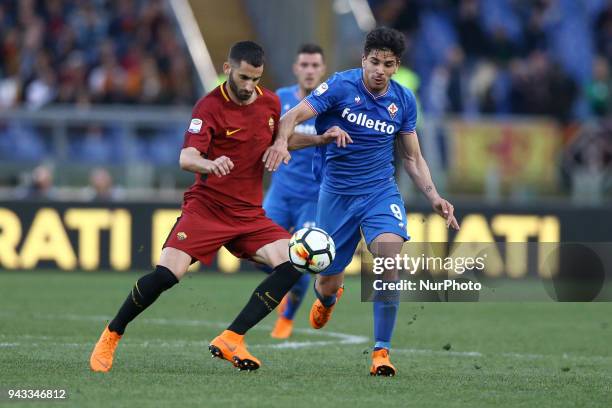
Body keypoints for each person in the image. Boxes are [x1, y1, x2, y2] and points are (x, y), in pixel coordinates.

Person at [89, 41, 346, 373]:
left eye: (255, 79)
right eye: (243, 78)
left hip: (249, 215)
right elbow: (186, 158)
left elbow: (280, 136)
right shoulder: (209, 106)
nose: (249, 86)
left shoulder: (269, 103)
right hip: (206, 210)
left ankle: (232, 338)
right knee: (167, 275)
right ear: (228, 70)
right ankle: (112, 334)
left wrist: (318, 140)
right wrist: (210, 164)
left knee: (293, 262)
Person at [265, 27, 460, 376]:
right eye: (374, 62)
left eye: (387, 64)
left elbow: (412, 159)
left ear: (396, 66)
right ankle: (327, 298)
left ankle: (381, 352)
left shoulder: (403, 100)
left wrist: (434, 196)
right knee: (327, 282)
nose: (379, 70)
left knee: (388, 259)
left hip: (380, 193)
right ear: (363, 60)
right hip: (336, 195)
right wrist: (281, 143)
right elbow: (292, 116)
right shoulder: (340, 86)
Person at [264, 44, 327, 339]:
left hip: (313, 198)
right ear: (296, 68)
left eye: (315, 65)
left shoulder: (332, 103)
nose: (310, 70)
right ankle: (284, 294)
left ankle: (287, 315)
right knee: (260, 254)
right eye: (305, 65)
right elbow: (273, 136)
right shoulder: (281, 99)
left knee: (302, 260)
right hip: (281, 191)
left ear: (322, 70)